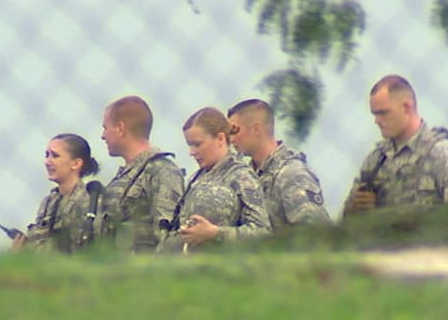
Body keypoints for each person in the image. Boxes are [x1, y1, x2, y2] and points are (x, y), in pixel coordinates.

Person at [343, 74, 448, 216]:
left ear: (407, 107)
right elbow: (343, 222)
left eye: (383, 113)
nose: (377, 121)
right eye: (375, 114)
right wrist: (354, 209)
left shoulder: (443, 156)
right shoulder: (375, 162)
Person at [161, 107, 271, 252]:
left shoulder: (242, 176)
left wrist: (215, 233)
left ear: (220, 139)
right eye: (189, 145)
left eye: (197, 144)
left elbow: (262, 232)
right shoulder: (196, 178)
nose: (192, 152)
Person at [227, 98, 331, 231]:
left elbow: (315, 233)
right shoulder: (247, 176)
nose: (231, 139)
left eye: (235, 130)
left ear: (255, 129)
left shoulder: (292, 174)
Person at [99, 96, 185, 253]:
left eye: (105, 127)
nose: (103, 136)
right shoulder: (126, 175)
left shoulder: (161, 170)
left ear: (120, 129)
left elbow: (169, 236)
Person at [13, 134, 103, 253]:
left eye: (55, 156)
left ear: (76, 164)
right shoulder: (48, 203)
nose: (47, 162)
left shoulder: (91, 202)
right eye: (47, 155)